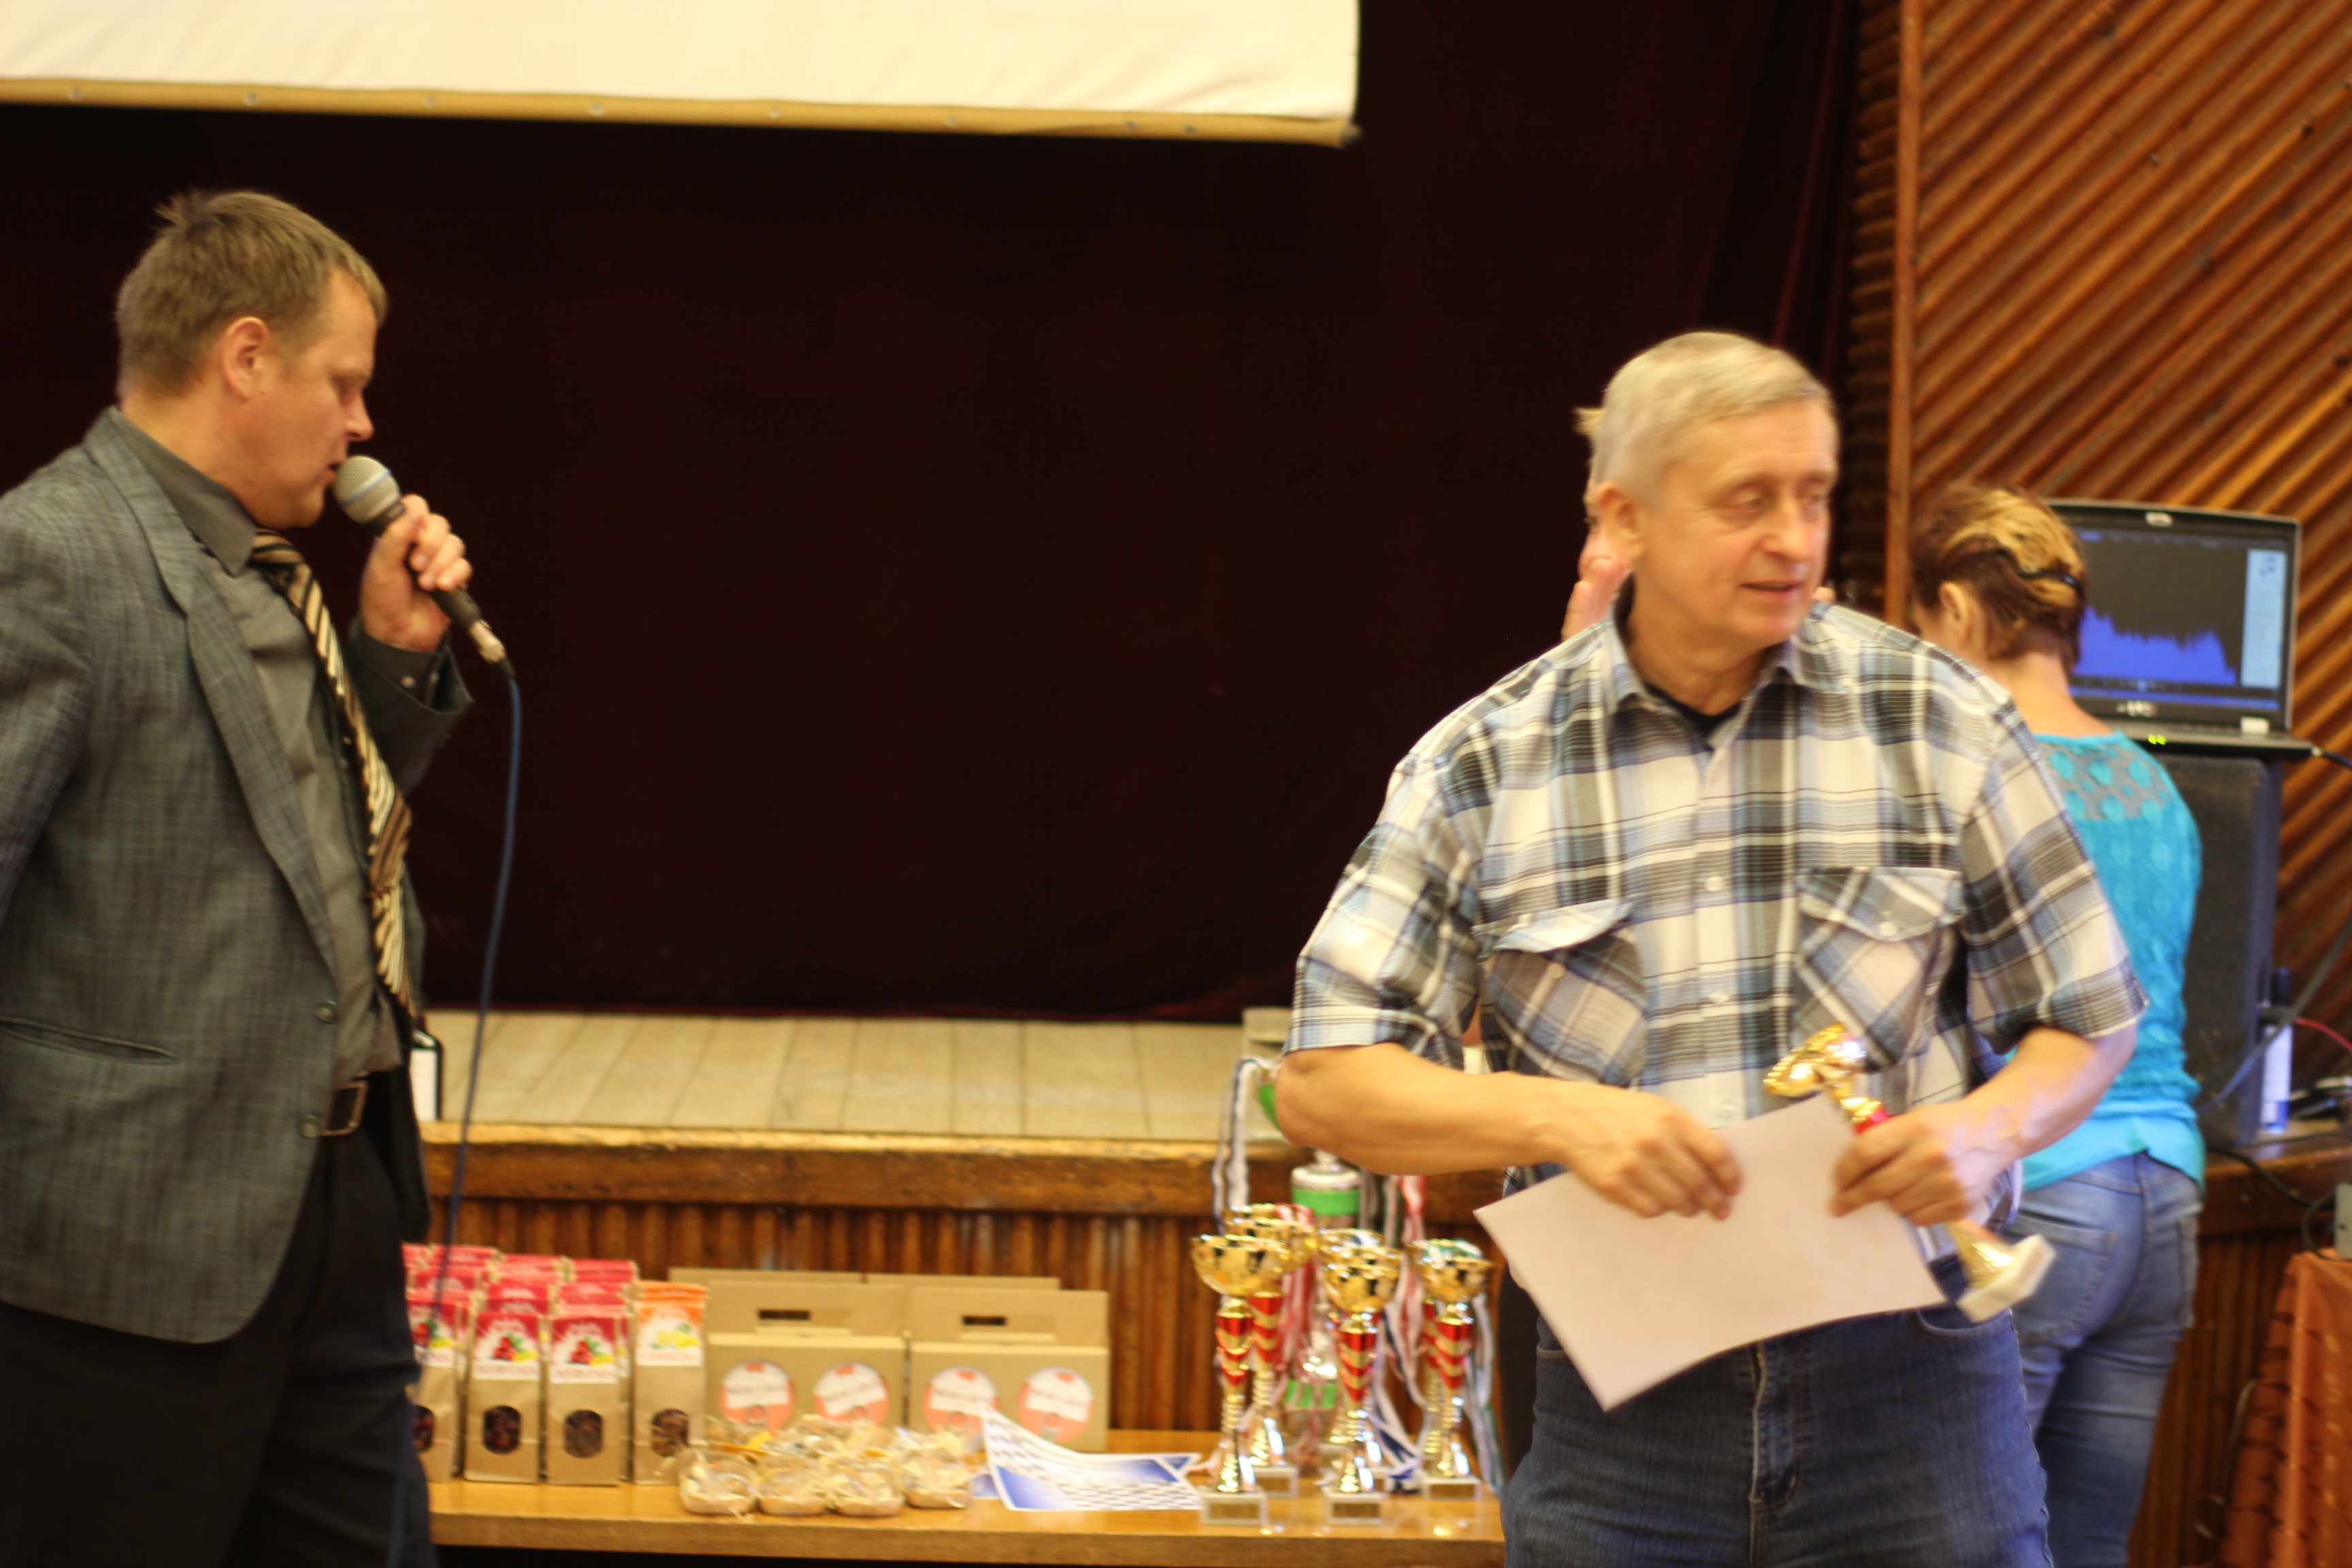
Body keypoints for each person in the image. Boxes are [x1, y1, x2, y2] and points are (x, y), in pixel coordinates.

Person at [1275, 330, 2146, 1566]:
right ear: (1622, 516)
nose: (1794, 540)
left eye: (1813, 496)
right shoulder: (1485, 763)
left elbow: (2090, 1016)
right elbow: (1326, 1083)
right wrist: (1563, 1118)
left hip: (1917, 1387)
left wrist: (1989, 1130)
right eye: (1747, 502)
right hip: (1623, 1409)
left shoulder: (1940, 719)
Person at [0, 191, 474, 1565]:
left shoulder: (267, 566)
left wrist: (390, 664)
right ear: (247, 357)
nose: (362, 424)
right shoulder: (49, 555)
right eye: (346, 383)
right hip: (126, 1259)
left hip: (334, 1210)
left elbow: (294, 844)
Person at [1908, 483, 2205, 1568]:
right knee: (2085, 1547)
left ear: (1952, 610)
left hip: (2038, 1199)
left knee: (1960, 1545)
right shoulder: (2153, 781)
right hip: (2166, 1199)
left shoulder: (1977, 776)